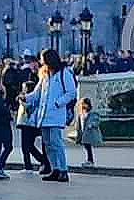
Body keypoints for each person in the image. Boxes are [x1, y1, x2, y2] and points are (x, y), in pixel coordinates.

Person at [34, 48, 77, 182]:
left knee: (56, 142)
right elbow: (37, 92)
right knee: (47, 144)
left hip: (56, 114)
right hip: (44, 114)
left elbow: (71, 92)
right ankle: (55, 168)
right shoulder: (45, 75)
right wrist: (26, 98)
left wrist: (58, 103)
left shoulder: (64, 73)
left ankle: (63, 169)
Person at [15, 65, 47, 173]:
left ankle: (32, 164)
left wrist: (21, 100)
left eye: (24, 89)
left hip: (28, 123)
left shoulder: (29, 99)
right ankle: (35, 162)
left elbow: (27, 107)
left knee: (27, 146)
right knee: (28, 146)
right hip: (27, 123)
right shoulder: (30, 98)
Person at [71, 95, 102, 168]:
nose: (83, 106)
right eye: (82, 104)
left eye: (85, 104)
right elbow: (79, 123)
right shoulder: (81, 114)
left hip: (89, 134)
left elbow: (96, 120)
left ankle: (90, 161)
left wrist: (92, 124)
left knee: (88, 147)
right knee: (87, 147)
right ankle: (89, 160)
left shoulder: (92, 113)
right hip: (84, 134)